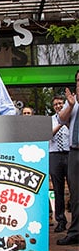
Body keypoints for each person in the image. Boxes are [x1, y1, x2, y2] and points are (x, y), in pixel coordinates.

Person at [56, 70, 79, 245]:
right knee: (75, 194)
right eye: (78, 80)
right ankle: (75, 232)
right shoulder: (72, 103)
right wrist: (70, 105)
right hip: (75, 151)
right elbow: (60, 120)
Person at [49, 95, 70, 233]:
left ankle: (75, 221)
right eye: (56, 104)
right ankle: (60, 220)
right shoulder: (50, 120)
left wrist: (66, 121)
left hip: (69, 154)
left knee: (74, 188)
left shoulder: (71, 117)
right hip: (54, 155)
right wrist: (60, 123)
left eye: (60, 103)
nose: (58, 106)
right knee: (58, 190)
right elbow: (47, 135)